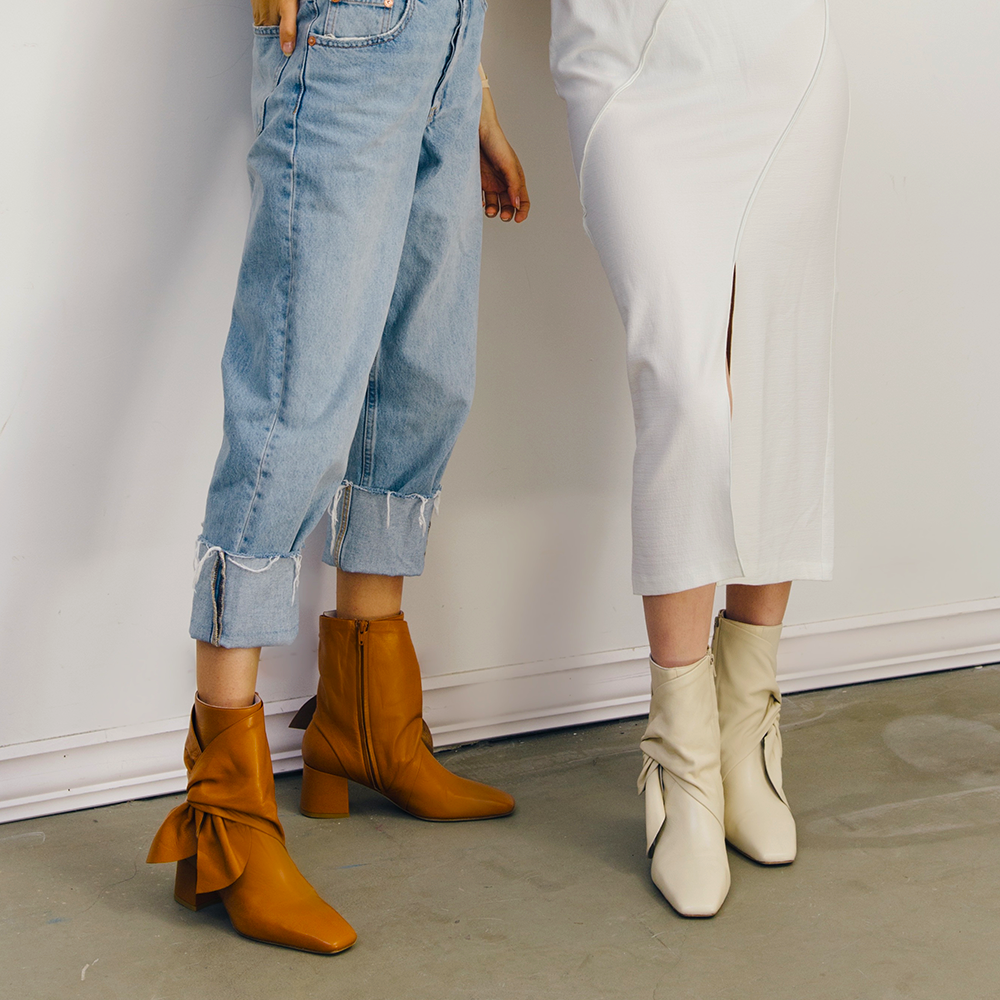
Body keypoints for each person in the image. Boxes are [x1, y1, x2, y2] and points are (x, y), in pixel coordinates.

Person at [146, 0, 530, 953]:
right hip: (350, 32)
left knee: (426, 378)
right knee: (293, 406)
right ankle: (226, 811)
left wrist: (467, 82)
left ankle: (368, 721)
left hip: (446, 37)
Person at [550, 0, 848, 916]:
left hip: (781, 56)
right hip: (628, 60)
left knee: (772, 382)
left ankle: (745, 726)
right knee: (684, 386)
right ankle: (679, 759)